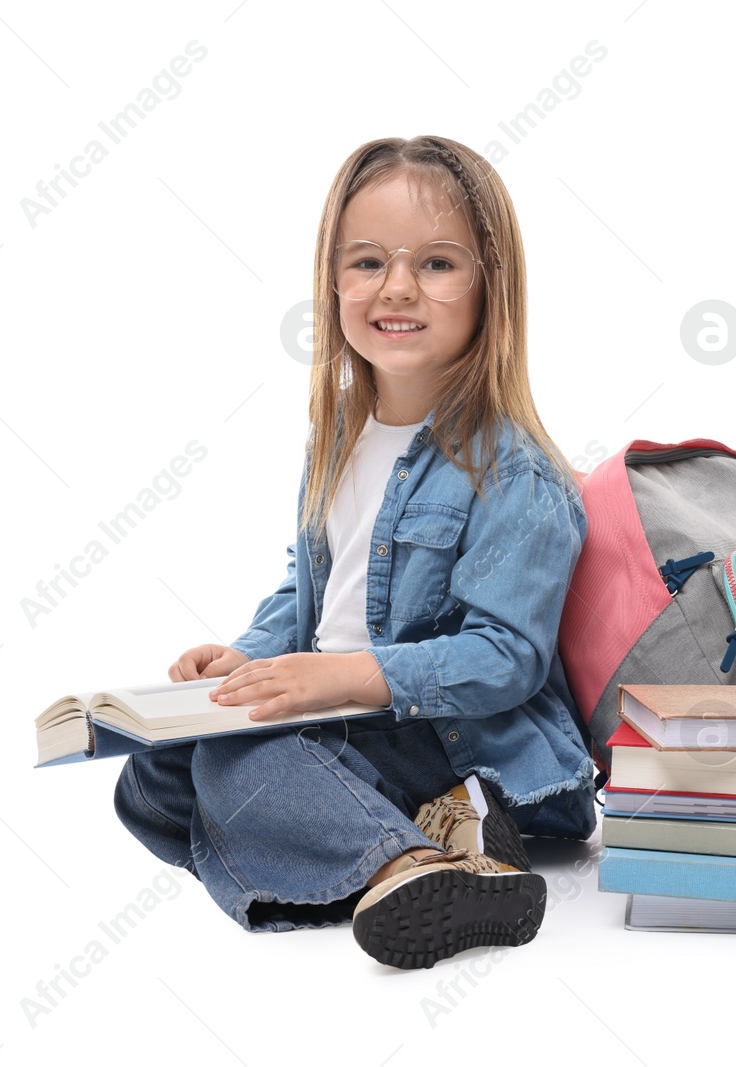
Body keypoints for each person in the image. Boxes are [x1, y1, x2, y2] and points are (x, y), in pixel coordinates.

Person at [113, 134, 596, 970]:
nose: (397, 287)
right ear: (332, 279)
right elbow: (311, 586)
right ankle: (450, 842)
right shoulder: (337, 432)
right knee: (154, 778)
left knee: (238, 760)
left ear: (493, 286)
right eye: (368, 261)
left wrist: (344, 676)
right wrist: (251, 657)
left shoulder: (512, 466)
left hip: (448, 736)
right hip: (352, 723)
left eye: (438, 264)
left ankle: (401, 862)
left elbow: (505, 657)